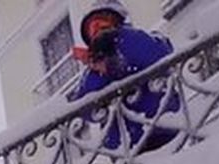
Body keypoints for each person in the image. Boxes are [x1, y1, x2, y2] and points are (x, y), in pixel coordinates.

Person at [67, 0, 179, 155]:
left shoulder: (134, 38)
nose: (97, 30)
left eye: (102, 23)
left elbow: (156, 53)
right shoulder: (94, 68)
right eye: (92, 29)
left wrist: (116, 43)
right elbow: (86, 105)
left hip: (162, 129)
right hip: (126, 148)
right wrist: (100, 66)